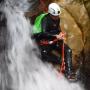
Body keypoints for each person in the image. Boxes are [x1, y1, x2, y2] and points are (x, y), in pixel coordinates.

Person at [32, 3, 74, 79]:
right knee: (56, 59)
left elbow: (56, 30)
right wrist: (55, 35)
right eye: (55, 15)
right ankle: (49, 73)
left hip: (54, 42)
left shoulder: (57, 19)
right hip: (44, 44)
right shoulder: (45, 19)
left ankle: (69, 73)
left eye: (58, 15)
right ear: (50, 14)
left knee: (68, 50)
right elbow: (44, 33)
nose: (57, 17)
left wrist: (60, 34)